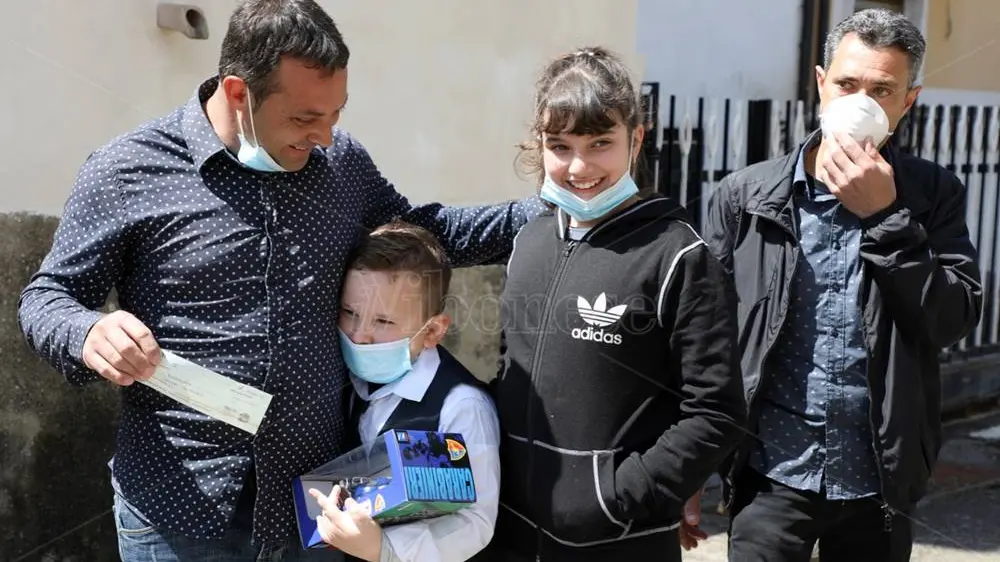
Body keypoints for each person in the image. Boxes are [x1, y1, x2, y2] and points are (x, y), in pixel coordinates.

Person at [16, 1, 544, 560]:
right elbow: (47, 298)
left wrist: (556, 209)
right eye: (304, 119)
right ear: (238, 93)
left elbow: (427, 234)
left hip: (316, 511)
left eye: (335, 114)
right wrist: (86, 333)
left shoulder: (342, 167)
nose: (325, 136)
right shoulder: (127, 171)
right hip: (179, 512)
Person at [684, 8, 983, 562]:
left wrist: (886, 218)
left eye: (882, 90)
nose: (860, 102)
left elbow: (952, 318)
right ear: (820, 83)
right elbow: (705, 341)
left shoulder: (932, 194)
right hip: (771, 472)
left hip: (878, 481)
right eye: (847, 84)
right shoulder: (745, 195)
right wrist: (690, 471)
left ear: (907, 102)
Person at [482, 46, 746, 561]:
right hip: (508, 537)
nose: (579, 166)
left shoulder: (678, 255)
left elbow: (717, 413)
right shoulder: (527, 241)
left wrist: (618, 497)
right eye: (560, 146)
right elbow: (510, 370)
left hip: (618, 543)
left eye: (600, 143)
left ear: (636, 139)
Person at [307, 220, 499, 562]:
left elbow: (475, 521)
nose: (359, 336)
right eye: (349, 313)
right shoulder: (341, 377)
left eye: (383, 322)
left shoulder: (460, 405)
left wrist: (386, 550)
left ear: (433, 331)